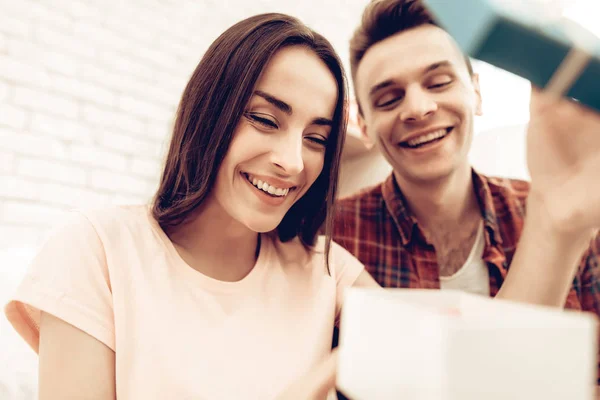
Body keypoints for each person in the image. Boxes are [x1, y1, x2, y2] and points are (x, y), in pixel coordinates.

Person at [4, 13, 378, 399]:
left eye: (316, 138)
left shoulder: (327, 270)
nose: (294, 161)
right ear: (209, 111)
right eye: (265, 120)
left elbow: (424, 340)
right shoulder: (98, 250)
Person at [332, 0, 600, 386]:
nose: (419, 108)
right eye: (389, 99)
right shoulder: (333, 240)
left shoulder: (570, 212)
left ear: (476, 92)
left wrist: (556, 227)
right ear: (365, 124)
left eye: (439, 82)